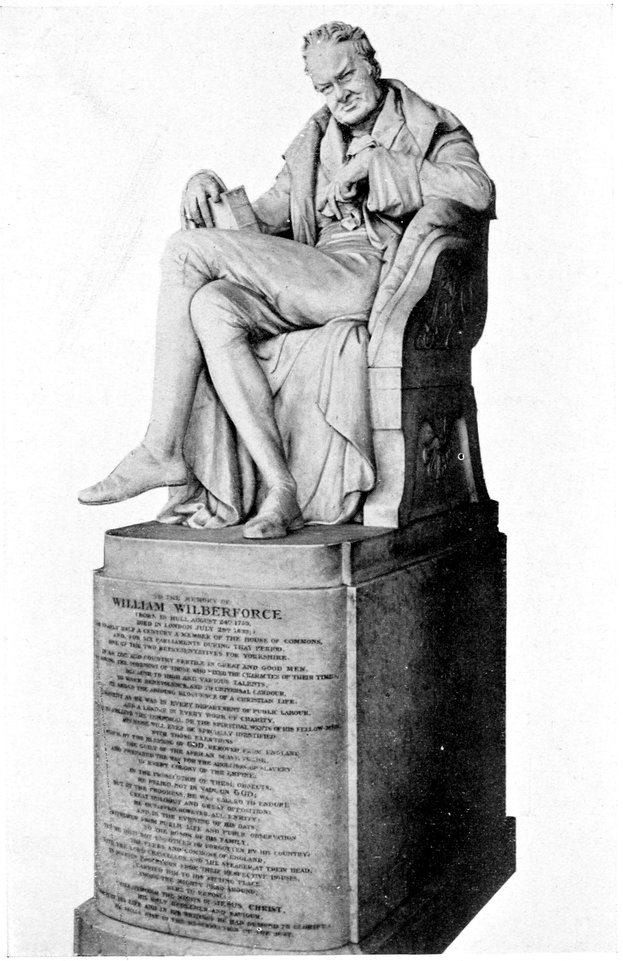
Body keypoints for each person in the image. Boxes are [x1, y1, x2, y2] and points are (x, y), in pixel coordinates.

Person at [78, 21, 493, 538]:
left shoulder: (428, 126)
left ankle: (161, 448)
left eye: (346, 77)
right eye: (325, 87)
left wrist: (382, 165)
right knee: (212, 305)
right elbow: (261, 221)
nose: (339, 95)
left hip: (370, 276)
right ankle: (281, 489)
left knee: (184, 251)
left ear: (372, 66)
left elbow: (477, 191)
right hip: (314, 274)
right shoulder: (314, 142)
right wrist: (208, 186)